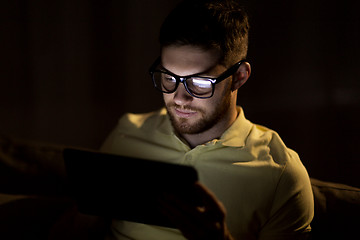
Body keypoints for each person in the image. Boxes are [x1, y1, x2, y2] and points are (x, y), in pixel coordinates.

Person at [101, 0, 314, 239]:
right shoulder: (128, 132)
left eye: (200, 83)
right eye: (169, 78)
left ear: (239, 77)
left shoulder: (281, 173)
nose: (179, 98)